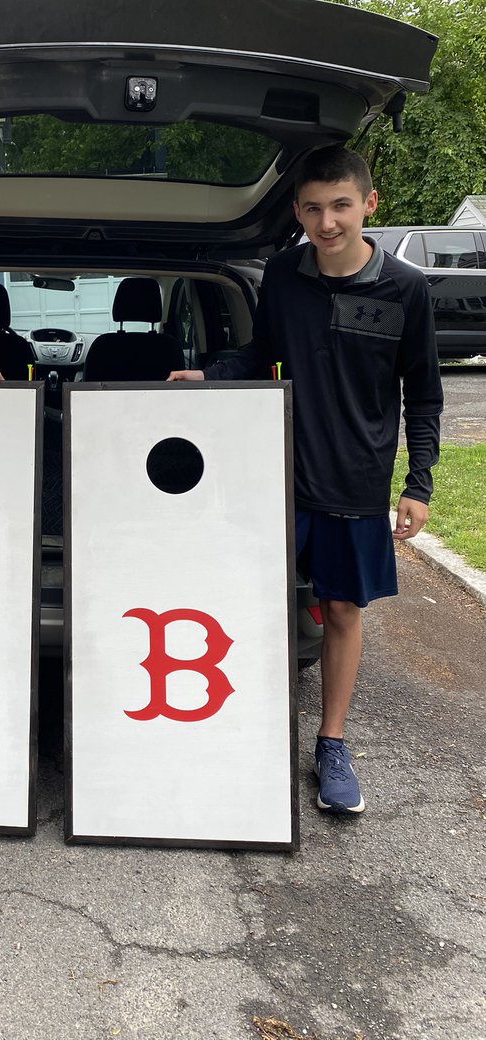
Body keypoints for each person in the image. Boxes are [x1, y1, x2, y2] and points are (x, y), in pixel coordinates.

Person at [168, 146, 443, 814]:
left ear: (368, 205)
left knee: (341, 612)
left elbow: (426, 395)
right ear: (297, 211)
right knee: (248, 605)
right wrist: (209, 376)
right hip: (274, 478)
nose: (328, 222)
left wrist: (419, 484)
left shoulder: (406, 289)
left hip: (355, 483)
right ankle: (241, 728)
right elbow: (263, 356)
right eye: (314, 208)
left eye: (341, 206)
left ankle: (332, 743)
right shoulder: (283, 275)